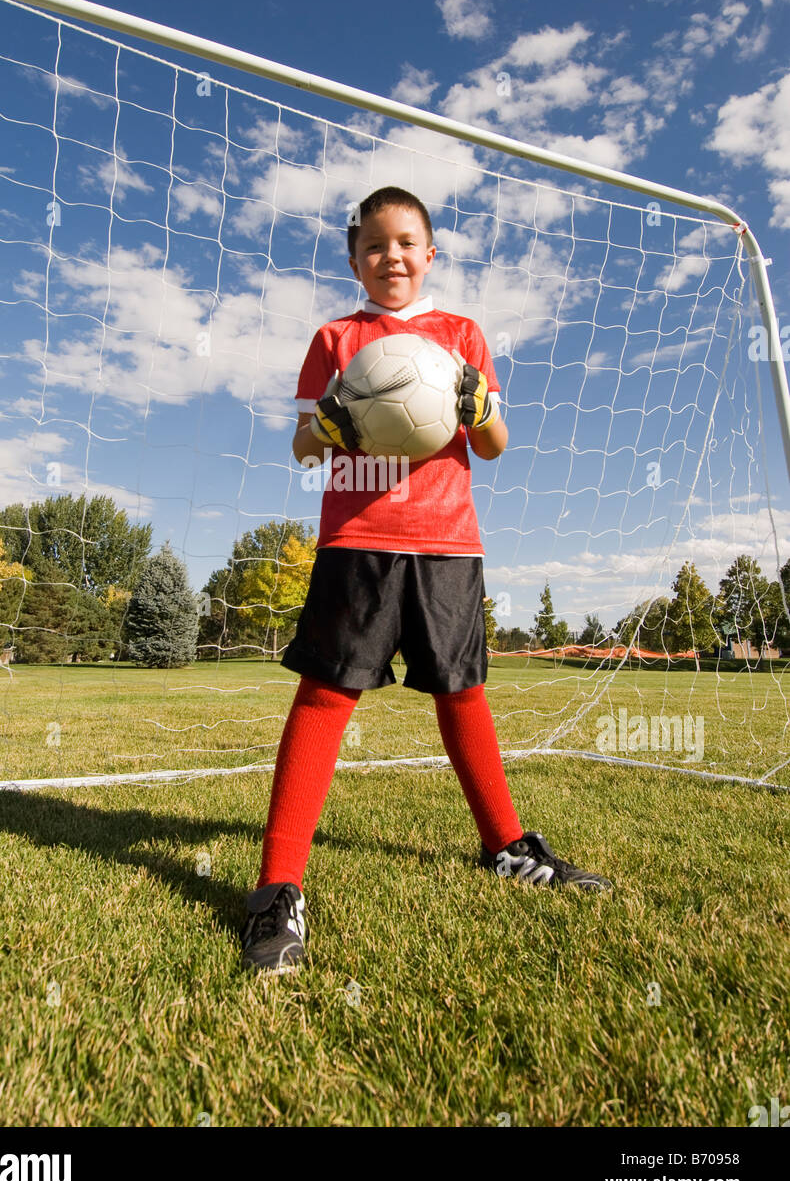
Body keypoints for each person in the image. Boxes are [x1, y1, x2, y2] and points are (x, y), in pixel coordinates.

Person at [240, 186, 612, 973]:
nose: (392, 256)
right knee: (324, 694)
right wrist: (329, 427)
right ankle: (277, 890)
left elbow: (498, 443)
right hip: (358, 542)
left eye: (406, 241)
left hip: (449, 545)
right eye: (374, 245)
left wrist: (478, 406)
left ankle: (506, 846)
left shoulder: (462, 334)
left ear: (430, 253)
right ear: (354, 260)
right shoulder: (336, 338)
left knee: (462, 692)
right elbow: (304, 447)